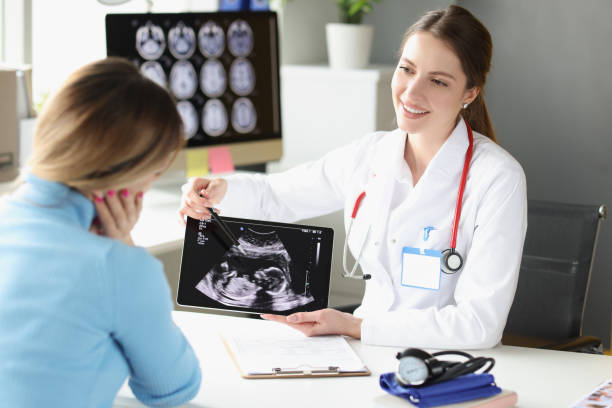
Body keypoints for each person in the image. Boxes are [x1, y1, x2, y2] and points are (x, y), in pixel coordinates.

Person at [179, 5, 527, 349]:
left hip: (447, 366)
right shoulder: (369, 155)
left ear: (470, 92)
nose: (411, 93)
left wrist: (357, 326)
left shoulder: (497, 178)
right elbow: (277, 196)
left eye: (437, 81)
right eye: (407, 69)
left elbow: (480, 325)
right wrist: (216, 191)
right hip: (362, 354)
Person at [0, 58, 201, 407]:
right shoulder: (118, 268)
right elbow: (174, 388)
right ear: (125, 172)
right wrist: (123, 246)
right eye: (155, 172)